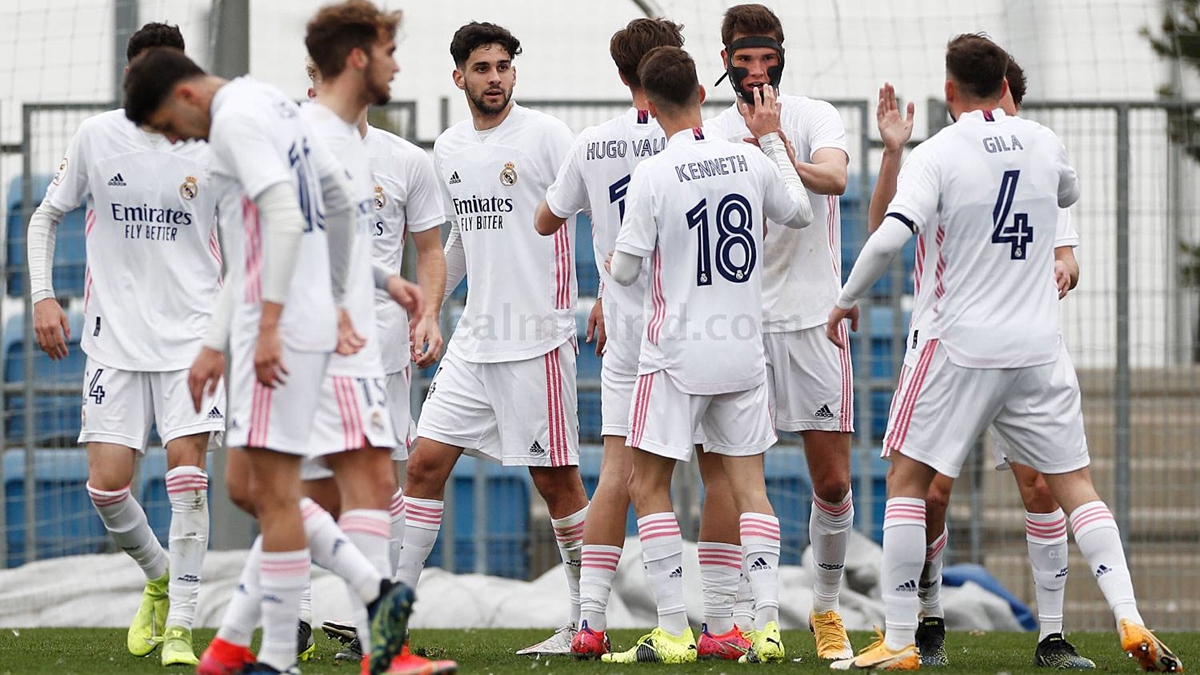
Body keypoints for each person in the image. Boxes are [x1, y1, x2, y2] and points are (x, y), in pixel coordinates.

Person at [827, 34, 1181, 673]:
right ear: (1007, 89)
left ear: (949, 90)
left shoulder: (941, 153)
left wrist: (845, 298)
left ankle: (904, 640)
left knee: (910, 484)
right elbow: (1065, 192)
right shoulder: (1044, 143)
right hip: (1035, 347)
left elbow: (885, 240)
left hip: (958, 344)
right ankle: (1130, 617)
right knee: (1079, 489)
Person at [123, 38, 415, 675]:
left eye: (170, 129)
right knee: (255, 489)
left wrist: (270, 327)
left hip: (277, 332)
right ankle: (256, 641)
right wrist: (360, 288)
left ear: (185, 95)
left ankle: (342, 618)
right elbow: (333, 203)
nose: (176, 144)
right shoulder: (273, 104)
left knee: (274, 492)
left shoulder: (234, 123)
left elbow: (283, 216)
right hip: (305, 322)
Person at [867, 56, 1092, 670]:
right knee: (932, 492)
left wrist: (1063, 269)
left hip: (1023, 349)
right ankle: (929, 618)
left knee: (1041, 486)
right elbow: (880, 226)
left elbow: (1066, 254)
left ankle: (1052, 635)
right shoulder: (943, 156)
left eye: (1013, 102)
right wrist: (892, 152)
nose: (1006, 112)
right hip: (951, 347)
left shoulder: (1039, 159)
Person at [601, 44, 813, 665]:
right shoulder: (746, 158)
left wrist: (616, 267)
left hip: (676, 355)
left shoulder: (654, 172)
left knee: (648, 483)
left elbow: (629, 269)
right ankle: (766, 627)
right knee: (751, 488)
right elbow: (799, 211)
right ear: (700, 94)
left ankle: (672, 631)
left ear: (649, 102)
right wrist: (771, 141)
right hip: (743, 352)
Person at [393, 21, 591, 657]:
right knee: (423, 465)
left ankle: (587, 622)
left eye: (504, 67)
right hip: (475, 341)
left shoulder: (546, 136)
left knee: (556, 483)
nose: (496, 78)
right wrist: (426, 308)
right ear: (459, 77)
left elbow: (603, 215)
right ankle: (389, 625)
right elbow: (458, 242)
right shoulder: (447, 149)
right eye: (483, 68)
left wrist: (612, 295)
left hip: (538, 339)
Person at [27, 22, 222, 666]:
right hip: (114, 341)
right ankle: (161, 578)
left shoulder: (212, 145)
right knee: (108, 489)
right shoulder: (96, 136)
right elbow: (46, 216)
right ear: (129, 77)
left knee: (188, 483)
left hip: (191, 342)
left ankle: (183, 630)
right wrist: (42, 295)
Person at [702, 5, 856, 659]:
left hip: (813, 321)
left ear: (781, 55)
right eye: (744, 59)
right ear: (727, 58)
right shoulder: (708, 132)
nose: (757, 70)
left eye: (768, 58)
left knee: (832, 483)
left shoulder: (814, 114)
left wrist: (773, 146)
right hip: (738, 325)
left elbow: (836, 177)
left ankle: (824, 610)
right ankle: (731, 619)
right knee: (730, 483)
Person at [533, 17, 686, 659]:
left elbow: (546, 220)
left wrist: (600, 285)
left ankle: (590, 621)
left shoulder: (593, 143)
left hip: (626, 326)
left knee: (618, 473)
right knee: (730, 470)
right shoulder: (702, 140)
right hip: (695, 322)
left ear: (623, 77)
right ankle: (731, 621)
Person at [299, 58, 450, 667]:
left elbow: (430, 249)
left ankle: (376, 634)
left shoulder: (406, 161)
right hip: (304, 351)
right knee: (294, 492)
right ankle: (296, 615)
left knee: (381, 485)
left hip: (380, 354)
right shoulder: (290, 153)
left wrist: (429, 313)